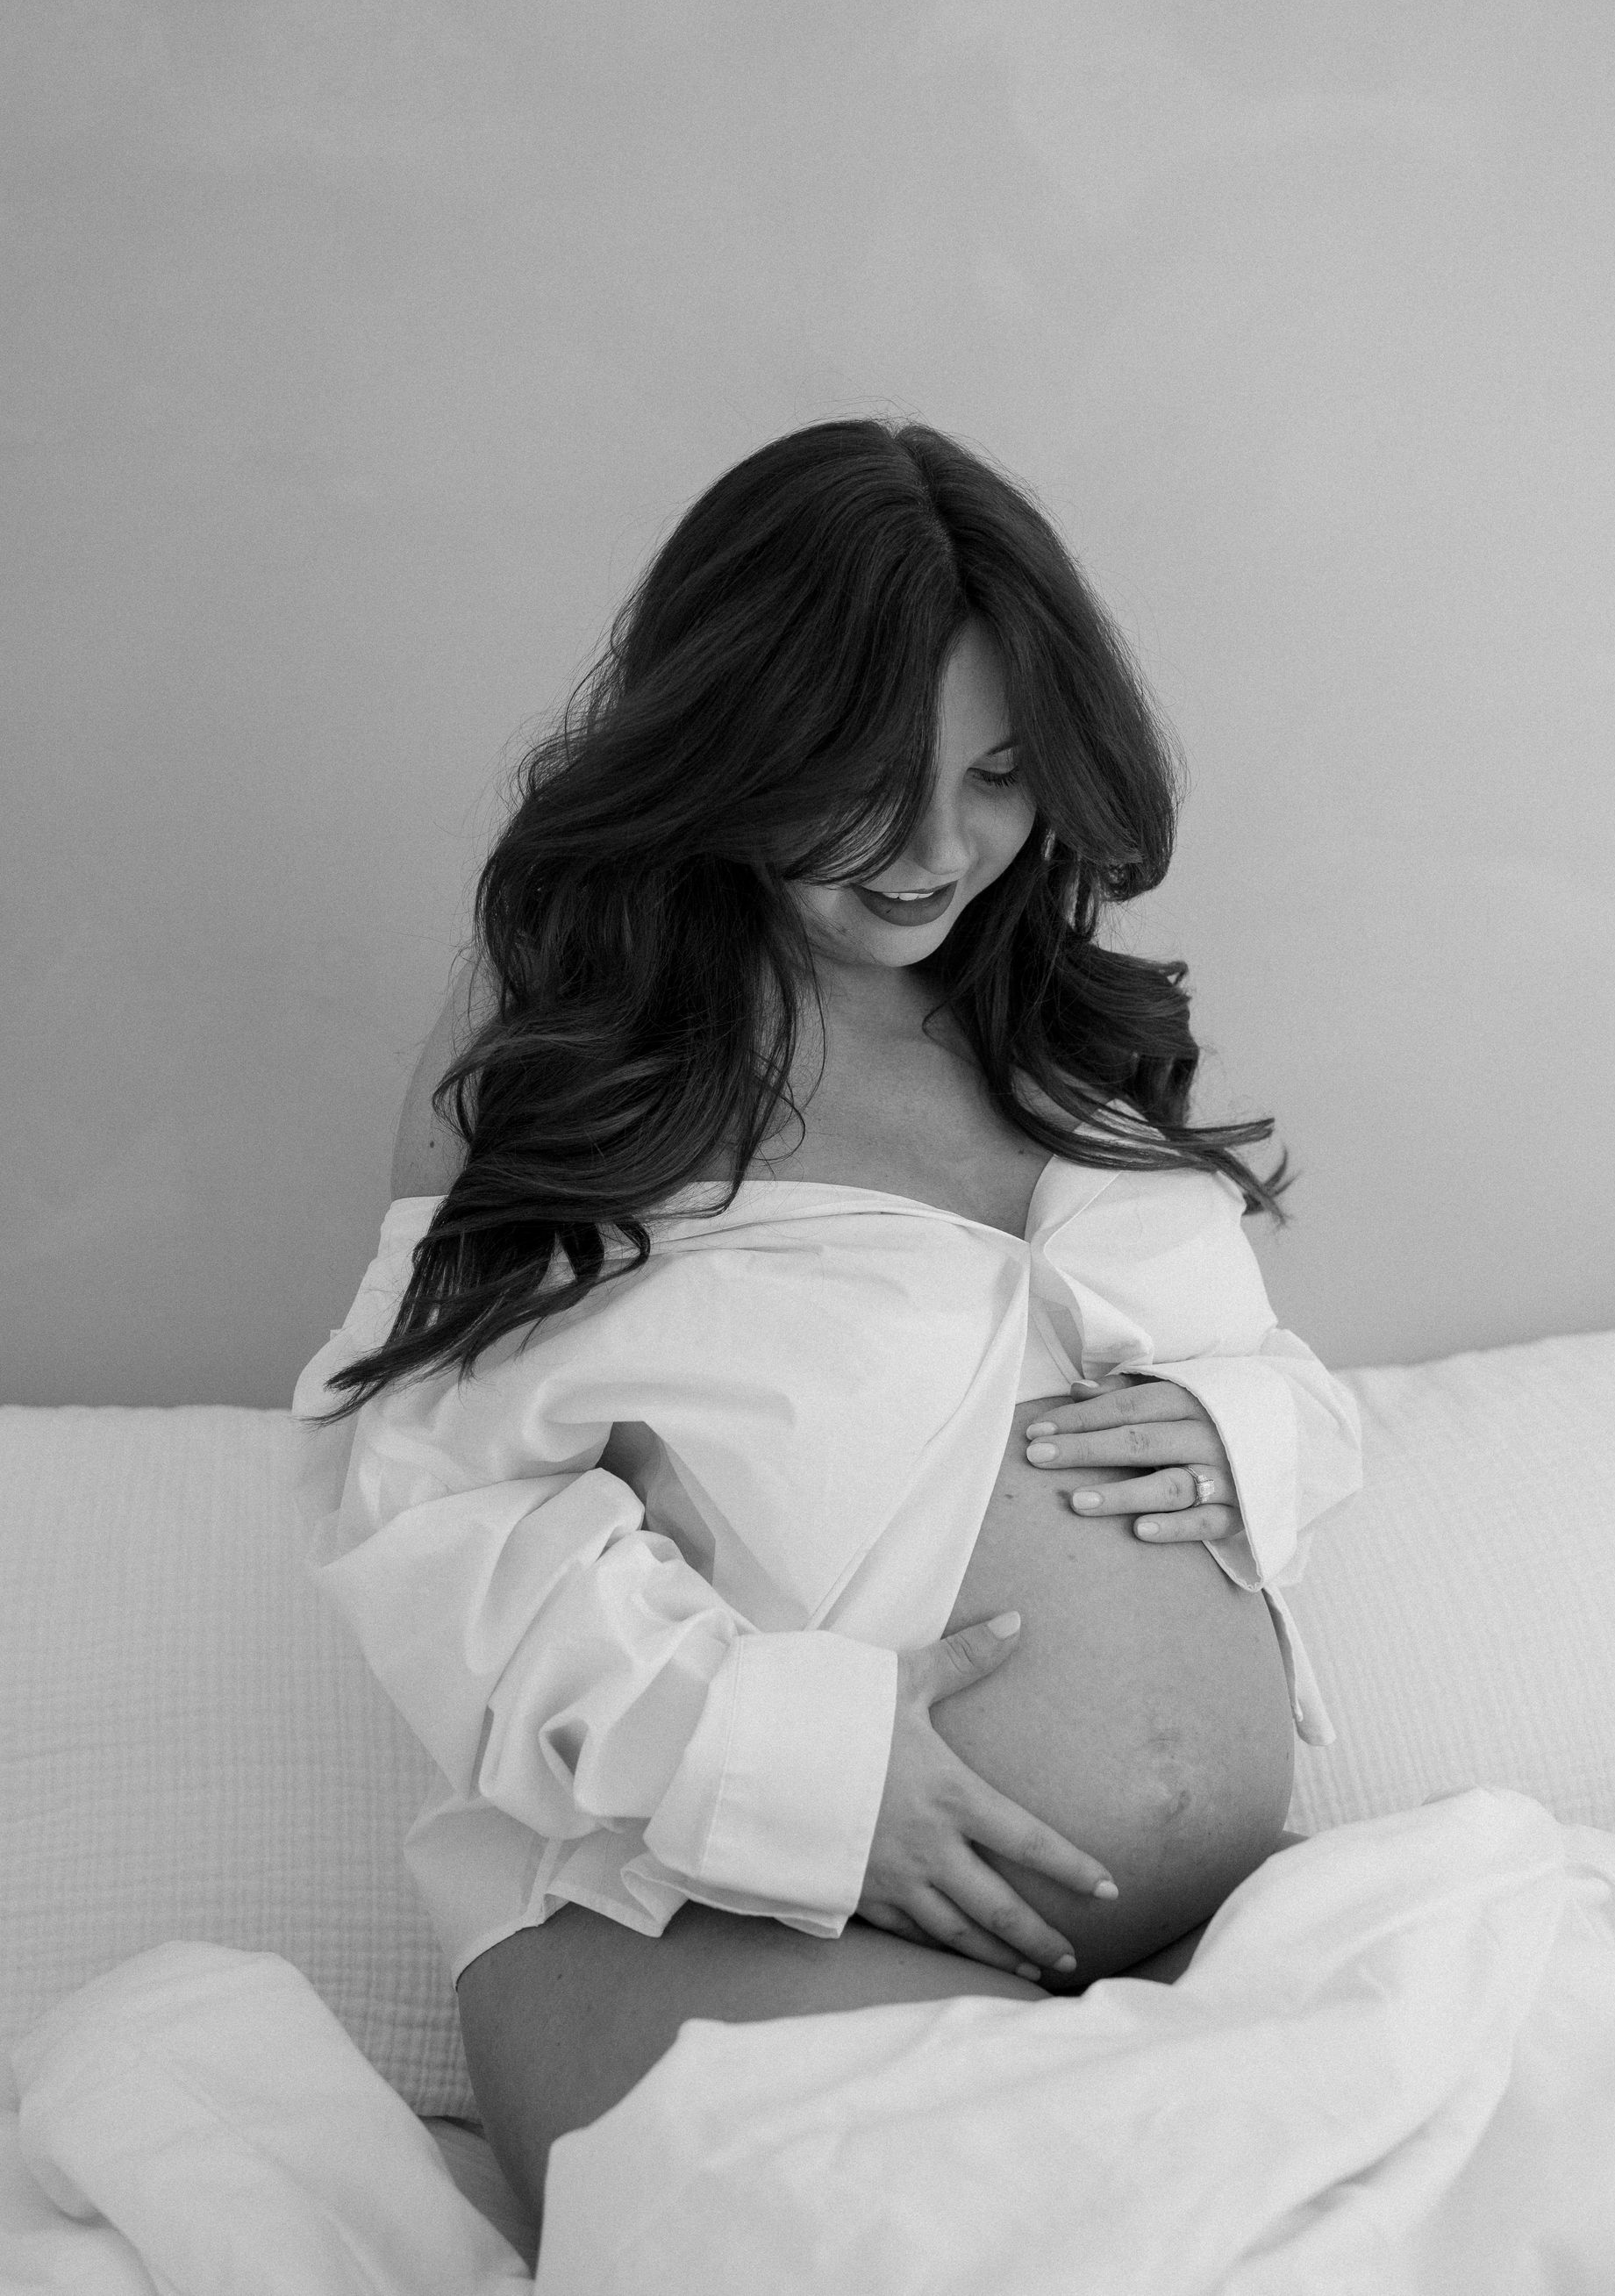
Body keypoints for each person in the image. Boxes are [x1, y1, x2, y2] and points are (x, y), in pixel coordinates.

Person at [293, 418, 1362, 2221]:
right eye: (867, 777)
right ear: (730, 738)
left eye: (1004, 775)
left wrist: (1244, 1436)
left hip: (1155, 1968)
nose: (938, 850)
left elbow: (1280, 1394)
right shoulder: (590, 1062)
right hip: (715, 1926)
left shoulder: (1058, 1043)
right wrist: (802, 1772)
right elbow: (422, 1511)